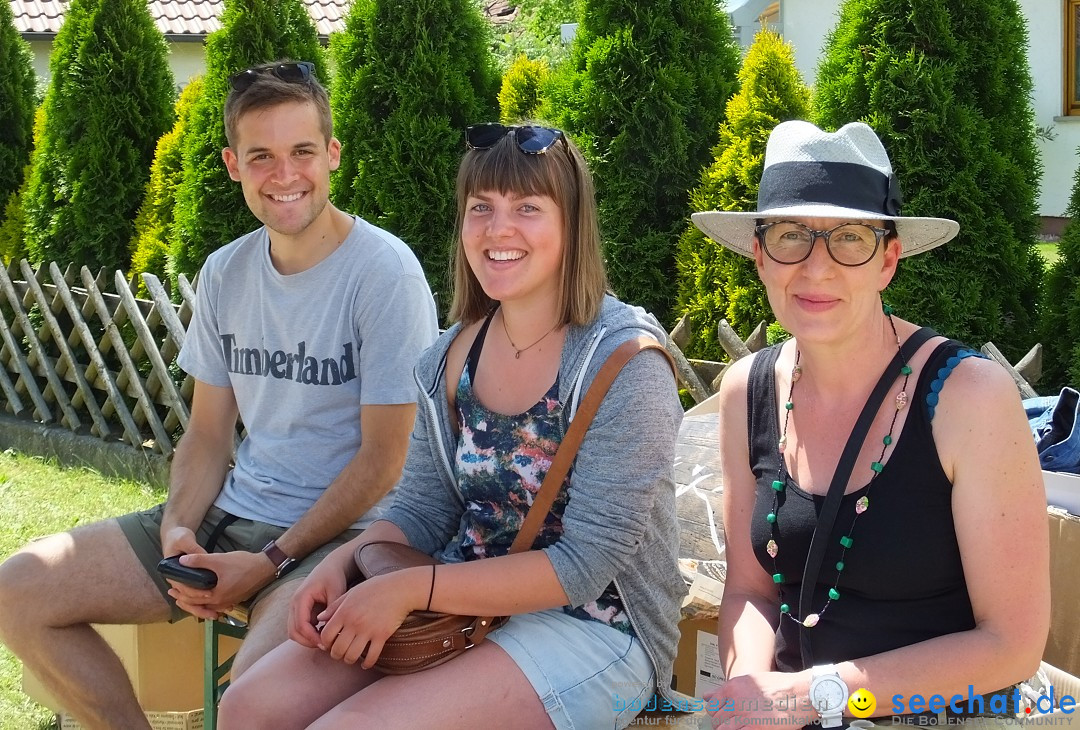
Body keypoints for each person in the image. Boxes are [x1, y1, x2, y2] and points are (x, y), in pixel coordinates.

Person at [0, 61, 439, 728]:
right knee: (15, 592)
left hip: (334, 540)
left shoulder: (384, 273)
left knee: (248, 707)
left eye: (302, 152)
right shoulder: (228, 271)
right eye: (262, 156)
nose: (284, 175)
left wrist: (267, 562)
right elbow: (207, 435)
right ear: (234, 164)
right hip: (228, 516)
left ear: (333, 156)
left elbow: (385, 461)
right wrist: (179, 526)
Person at [215, 122, 685, 730]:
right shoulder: (449, 358)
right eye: (481, 208)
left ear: (573, 225)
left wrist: (412, 591)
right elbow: (422, 508)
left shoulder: (624, 362)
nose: (499, 229)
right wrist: (344, 562)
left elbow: (584, 565)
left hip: (595, 627)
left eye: (528, 209)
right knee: (247, 708)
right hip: (450, 603)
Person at [690, 120, 1050, 729]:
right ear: (758, 255)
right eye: (790, 236)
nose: (816, 268)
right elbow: (751, 592)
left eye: (850, 239)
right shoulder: (744, 392)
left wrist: (815, 695)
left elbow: (1012, 644)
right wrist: (751, 693)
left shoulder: (968, 399)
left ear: (888, 260)